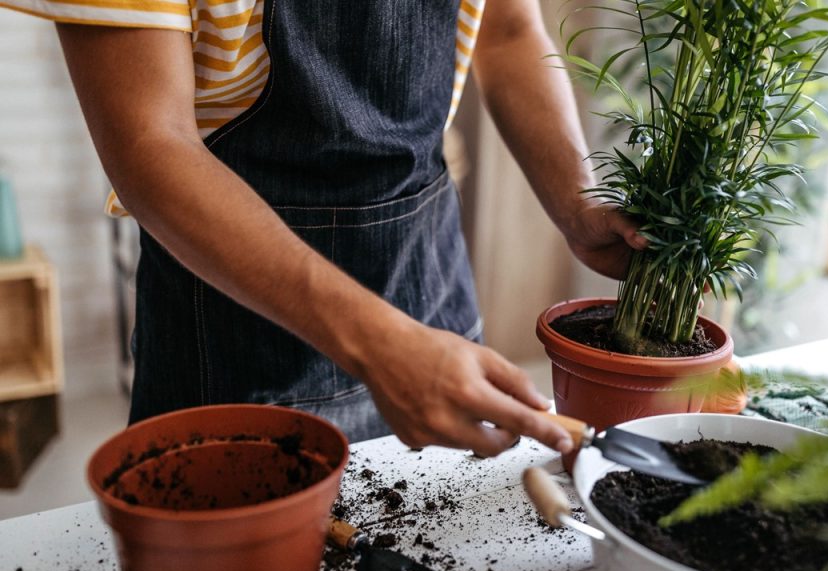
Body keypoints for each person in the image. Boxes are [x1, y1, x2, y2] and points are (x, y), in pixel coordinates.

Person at [2, 0, 646, 456]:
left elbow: (506, 29)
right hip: (235, 335)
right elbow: (150, 146)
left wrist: (580, 200)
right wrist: (379, 344)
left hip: (428, 281)